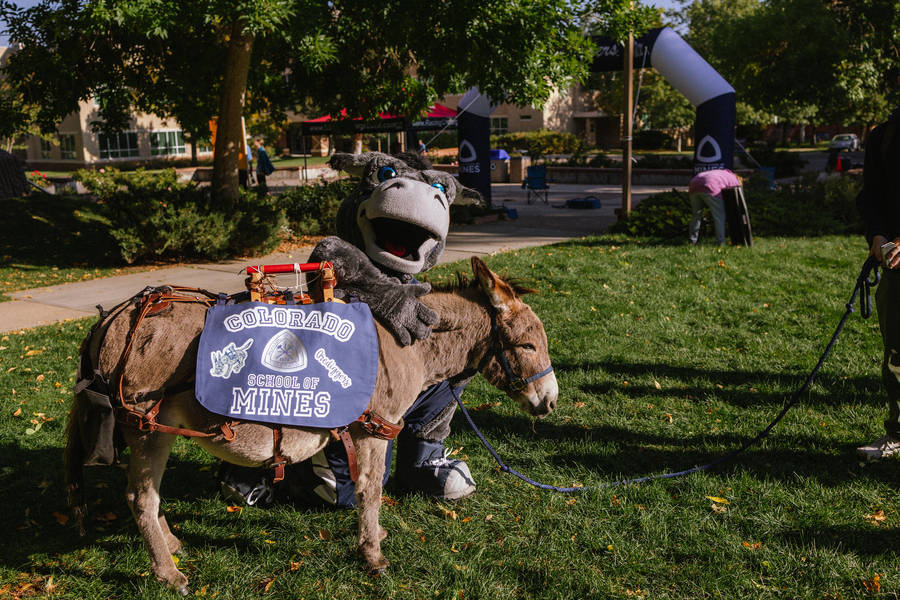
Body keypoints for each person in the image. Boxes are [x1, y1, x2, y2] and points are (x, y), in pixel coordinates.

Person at [856, 108, 900, 460]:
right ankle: (898, 435)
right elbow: (871, 195)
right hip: (894, 262)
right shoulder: (883, 135)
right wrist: (877, 233)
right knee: (897, 354)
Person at [687, 168, 741, 246]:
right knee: (719, 217)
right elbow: (735, 195)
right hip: (710, 185)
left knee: (696, 215)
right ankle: (721, 243)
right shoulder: (734, 180)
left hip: (694, 184)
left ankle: (692, 241)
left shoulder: (721, 173)